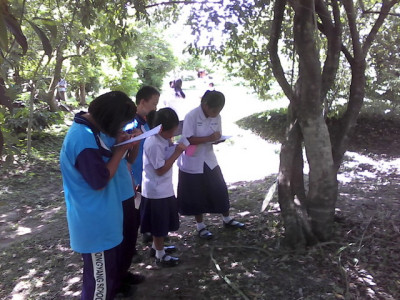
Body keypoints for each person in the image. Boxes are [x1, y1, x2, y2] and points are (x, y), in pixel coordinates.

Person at [59, 91, 138, 299]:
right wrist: (119, 151)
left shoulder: (90, 131)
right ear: (108, 120)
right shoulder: (82, 139)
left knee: (107, 280)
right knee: (99, 288)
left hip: (104, 221)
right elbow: (99, 181)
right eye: (119, 125)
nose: (120, 129)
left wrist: (116, 146)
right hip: (95, 226)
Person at [177, 90, 245, 240]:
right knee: (196, 194)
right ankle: (200, 226)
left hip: (209, 158)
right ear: (205, 105)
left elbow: (217, 134)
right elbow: (188, 139)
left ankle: (227, 218)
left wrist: (218, 139)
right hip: (192, 160)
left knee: (219, 187)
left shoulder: (217, 116)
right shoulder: (192, 116)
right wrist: (208, 137)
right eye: (214, 110)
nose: (216, 113)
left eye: (219, 110)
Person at [140, 108, 187, 267]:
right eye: (171, 131)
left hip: (164, 188)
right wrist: (177, 153)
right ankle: (160, 256)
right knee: (158, 225)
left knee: (163, 222)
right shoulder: (153, 143)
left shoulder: (162, 139)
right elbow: (160, 170)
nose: (173, 134)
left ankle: (156, 248)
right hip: (156, 190)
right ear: (161, 129)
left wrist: (172, 145)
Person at [125, 86, 160, 245]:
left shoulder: (148, 121)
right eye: (153, 104)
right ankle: (129, 249)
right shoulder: (129, 123)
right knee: (132, 212)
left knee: (147, 205)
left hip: (147, 172)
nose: (155, 107)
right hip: (134, 173)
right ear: (142, 102)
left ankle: (149, 233)